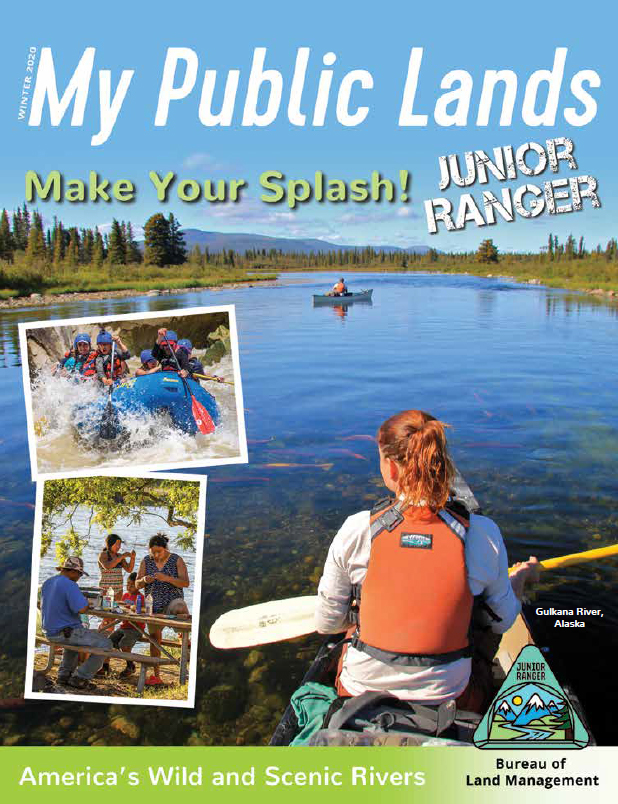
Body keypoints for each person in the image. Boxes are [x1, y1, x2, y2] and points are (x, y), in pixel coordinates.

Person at [315, 409, 540, 712]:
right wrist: (520, 579)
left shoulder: (356, 530)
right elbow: (501, 621)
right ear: (440, 462)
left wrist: (365, 613)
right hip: (450, 698)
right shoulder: (483, 534)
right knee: (481, 627)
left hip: (358, 695)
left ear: (391, 469)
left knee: (349, 631)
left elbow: (327, 622)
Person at [40, 556, 112, 689]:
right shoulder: (69, 584)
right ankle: (81, 677)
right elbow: (82, 609)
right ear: (73, 572)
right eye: (79, 574)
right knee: (106, 643)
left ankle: (64, 675)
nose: (79, 577)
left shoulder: (48, 582)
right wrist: (87, 602)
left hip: (49, 631)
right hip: (63, 632)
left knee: (75, 635)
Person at [136, 533, 190, 686]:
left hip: (172, 601)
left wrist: (166, 578)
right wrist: (144, 580)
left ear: (166, 549)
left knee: (180, 606)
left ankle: (184, 638)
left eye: (159, 551)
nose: (156, 555)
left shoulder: (176, 559)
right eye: (153, 552)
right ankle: (156, 675)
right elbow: (137, 584)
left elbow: (185, 583)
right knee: (154, 639)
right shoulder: (146, 561)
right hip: (153, 605)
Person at [97, 533, 135, 675]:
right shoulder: (103, 555)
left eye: (120, 544)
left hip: (118, 592)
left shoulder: (119, 557)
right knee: (108, 623)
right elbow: (107, 567)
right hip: (106, 592)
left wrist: (132, 558)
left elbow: (129, 570)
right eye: (116, 544)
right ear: (109, 544)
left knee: (112, 623)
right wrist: (121, 557)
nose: (118, 547)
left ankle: (106, 663)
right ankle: (105, 663)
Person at [109, 572, 145, 677]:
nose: (129, 587)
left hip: (136, 628)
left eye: (132, 585)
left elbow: (144, 611)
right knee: (108, 642)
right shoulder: (125, 595)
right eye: (127, 584)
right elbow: (121, 607)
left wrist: (135, 609)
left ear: (138, 586)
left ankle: (130, 666)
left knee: (124, 644)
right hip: (124, 626)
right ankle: (105, 666)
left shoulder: (141, 597)